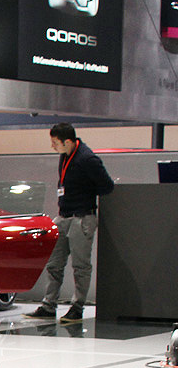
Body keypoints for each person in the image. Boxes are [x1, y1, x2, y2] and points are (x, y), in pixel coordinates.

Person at [24, 123, 114, 323]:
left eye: (55, 143)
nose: (53, 146)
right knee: (54, 263)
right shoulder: (66, 155)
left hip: (81, 218)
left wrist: (86, 194)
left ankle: (77, 306)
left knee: (80, 266)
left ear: (67, 141)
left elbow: (107, 186)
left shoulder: (87, 159)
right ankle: (49, 305)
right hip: (64, 216)